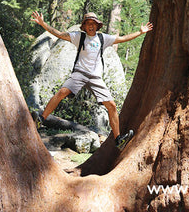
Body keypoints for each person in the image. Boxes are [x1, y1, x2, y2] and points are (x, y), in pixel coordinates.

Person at [30, 10, 153, 150]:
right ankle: (42, 119)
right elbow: (58, 33)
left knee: (112, 105)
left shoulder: (102, 38)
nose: (91, 26)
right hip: (79, 73)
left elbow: (122, 39)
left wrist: (140, 32)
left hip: (96, 77)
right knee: (62, 92)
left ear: (97, 25)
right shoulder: (78, 37)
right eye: (88, 23)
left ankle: (118, 139)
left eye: (93, 23)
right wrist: (43, 23)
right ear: (84, 26)